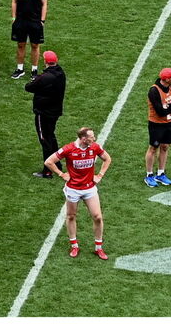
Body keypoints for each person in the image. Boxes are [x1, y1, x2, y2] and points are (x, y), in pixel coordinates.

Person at [45, 127, 112, 259]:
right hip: (73, 189)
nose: (94, 138)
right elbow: (48, 162)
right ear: (83, 139)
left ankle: (98, 247)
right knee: (71, 216)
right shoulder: (69, 149)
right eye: (91, 137)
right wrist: (61, 174)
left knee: (97, 217)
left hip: (89, 188)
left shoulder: (94, 147)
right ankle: (74, 245)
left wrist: (100, 175)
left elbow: (107, 159)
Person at [26, 50, 66, 178]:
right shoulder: (61, 73)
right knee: (51, 137)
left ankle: (48, 170)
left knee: (45, 140)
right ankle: (57, 163)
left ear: (45, 61)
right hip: (55, 111)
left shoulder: (45, 77)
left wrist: (35, 79)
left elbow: (29, 87)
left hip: (43, 113)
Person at [145, 67, 171, 187]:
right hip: (156, 124)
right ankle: (149, 175)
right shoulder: (154, 91)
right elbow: (160, 111)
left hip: (170, 123)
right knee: (153, 148)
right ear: (167, 79)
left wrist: (168, 106)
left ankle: (161, 173)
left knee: (165, 146)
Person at [10, 0, 49, 79]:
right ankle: (20, 68)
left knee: (35, 45)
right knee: (21, 44)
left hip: (35, 21)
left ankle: (34, 70)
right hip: (21, 21)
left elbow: (44, 3)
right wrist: (13, 18)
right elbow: (14, 1)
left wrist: (42, 20)